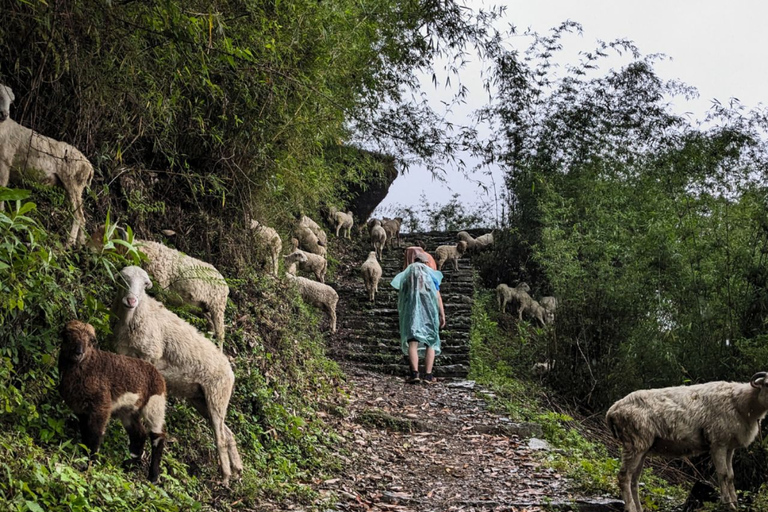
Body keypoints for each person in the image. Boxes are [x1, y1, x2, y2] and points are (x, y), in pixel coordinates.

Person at [391, 250, 446, 384]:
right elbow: (437, 296)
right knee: (430, 342)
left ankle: (415, 373)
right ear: (426, 262)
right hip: (429, 310)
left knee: (412, 341)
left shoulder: (407, 276)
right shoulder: (430, 275)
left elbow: (402, 297)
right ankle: (428, 375)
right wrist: (442, 314)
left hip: (411, 311)